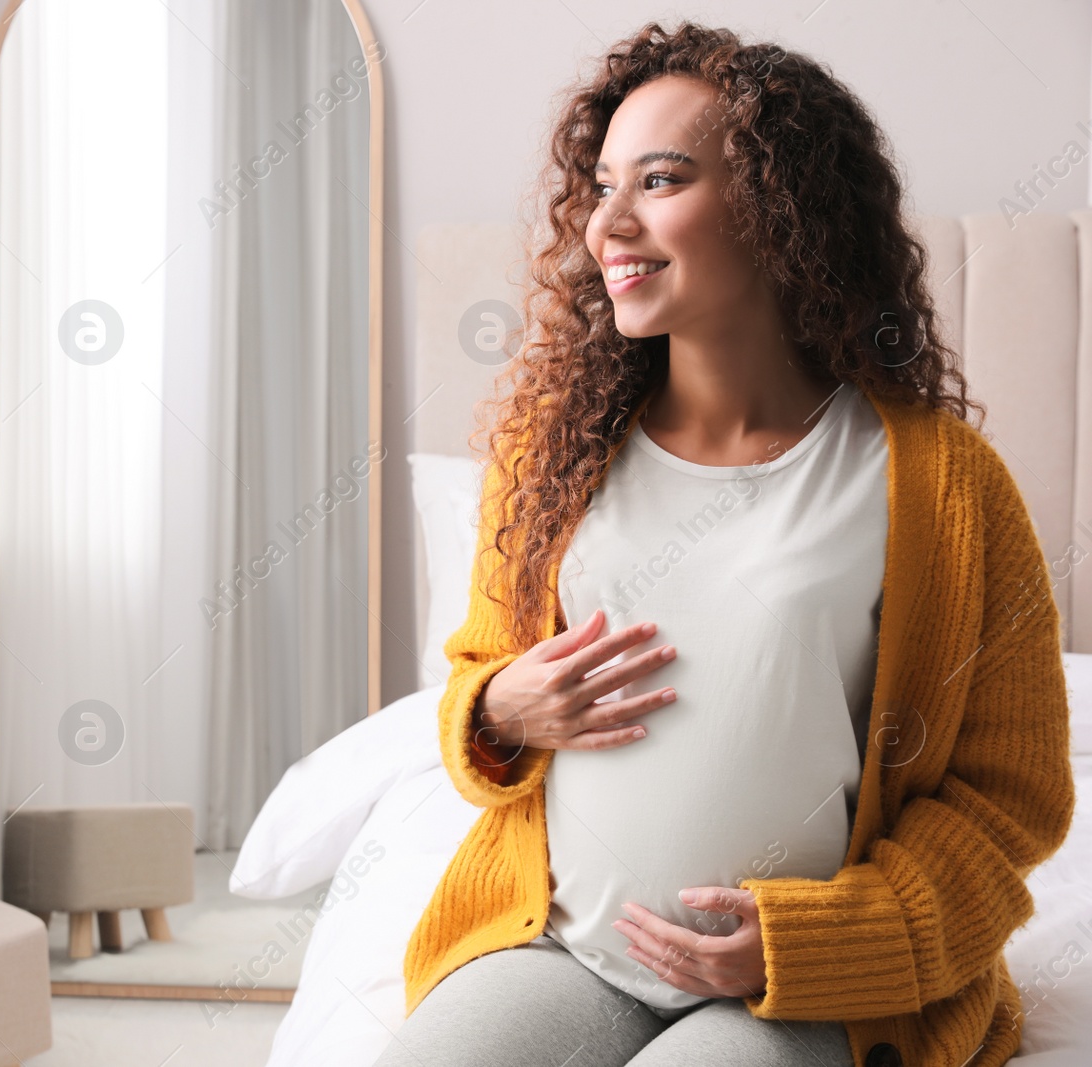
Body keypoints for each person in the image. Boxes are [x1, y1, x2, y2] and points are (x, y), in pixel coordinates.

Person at [373, 20, 1075, 1067]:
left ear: (778, 207)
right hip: (562, 952)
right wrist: (499, 710)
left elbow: (1006, 798)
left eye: (659, 180)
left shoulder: (940, 485)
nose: (607, 222)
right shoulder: (549, 455)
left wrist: (816, 944)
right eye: (600, 184)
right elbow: (481, 680)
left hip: (798, 993)